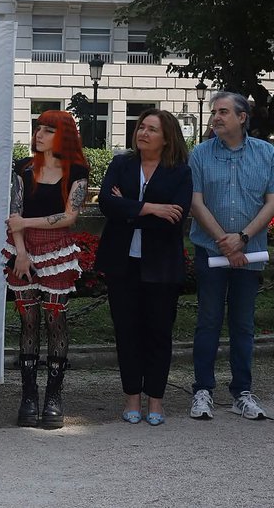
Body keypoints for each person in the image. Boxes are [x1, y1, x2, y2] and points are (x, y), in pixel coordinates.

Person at [188, 92, 274, 421]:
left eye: (223, 112)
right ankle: (202, 391)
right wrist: (223, 240)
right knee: (208, 321)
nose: (215, 117)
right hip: (211, 252)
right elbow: (196, 202)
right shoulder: (200, 154)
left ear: (242, 117)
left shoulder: (266, 152)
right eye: (214, 112)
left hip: (250, 253)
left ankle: (242, 392)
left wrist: (242, 239)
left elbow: (273, 201)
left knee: (243, 325)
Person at [97, 109, 192, 426]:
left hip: (161, 265)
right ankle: (131, 399)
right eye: (141, 128)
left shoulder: (179, 171)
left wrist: (129, 209)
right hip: (122, 265)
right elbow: (107, 205)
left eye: (152, 129)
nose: (143, 133)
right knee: (127, 332)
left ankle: (156, 401)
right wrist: (151, 208)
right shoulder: (121, 164)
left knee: (158, 333)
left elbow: (173, 220)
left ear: (166, 138)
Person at [0, 110, 88, 429]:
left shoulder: (76, 170)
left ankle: (53, 396)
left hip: (57, 249)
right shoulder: (24, 167)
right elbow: (14, 212)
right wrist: (21, 251)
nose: (39, 134)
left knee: (55, 320)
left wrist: (26, 223)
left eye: (48, 130)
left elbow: (69, 216)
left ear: (63, 135)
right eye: (38, 129)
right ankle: (28, 397)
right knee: (28, 322)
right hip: (22, 247)